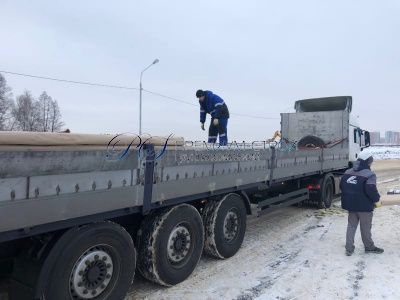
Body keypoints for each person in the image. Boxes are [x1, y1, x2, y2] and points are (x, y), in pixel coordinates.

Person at [340, 150, 383, 256]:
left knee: (351, 226)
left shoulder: (347, 172)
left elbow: (342, 187)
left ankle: (349, 249)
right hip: (364, 207)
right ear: (368, 161)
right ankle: (369, 247)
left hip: (351, 205)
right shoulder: (369, 174)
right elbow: (371, 190)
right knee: (365, 227)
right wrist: (377, 201)